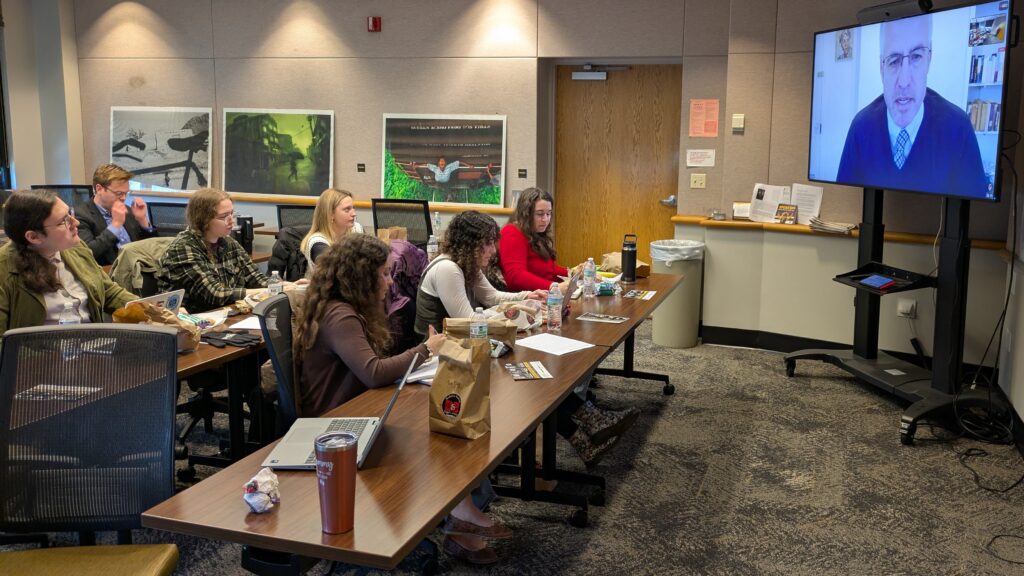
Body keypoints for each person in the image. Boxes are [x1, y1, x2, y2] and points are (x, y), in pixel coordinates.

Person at [296, 234, 508, 565]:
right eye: (382, 273)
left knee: (451, 421)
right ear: (359, 276)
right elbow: (373, 372)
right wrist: (426, 349)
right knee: (440, 434)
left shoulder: (351, 307)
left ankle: (460, 517)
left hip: (363, 404)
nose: (390, 280)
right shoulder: (340, 316)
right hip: (339, 419)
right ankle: (458, 517)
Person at [416, 211, 635, 466]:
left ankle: (587, 431)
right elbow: (468, 321)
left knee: (536, 375)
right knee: (530, 379)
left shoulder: (465, 265)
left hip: (466, 346)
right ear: (471, 243)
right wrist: (513, 313)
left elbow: (493, 298)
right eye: (487, 244)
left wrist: (529, 295)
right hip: (441, 356)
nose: (492, 250)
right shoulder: (448, 269)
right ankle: (588, 426)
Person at [836, 14, 988, 197]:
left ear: (929, 60)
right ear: (881, 67)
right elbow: (843, 197)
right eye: (893, 60)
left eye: (916, 57)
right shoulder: (860, 127)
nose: (904, 81)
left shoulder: (959, 127)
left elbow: (975, 201)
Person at [0, 189, 136, 332]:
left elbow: (109, 292)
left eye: (69, 214)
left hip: (93, 344)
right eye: (63, 221)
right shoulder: (4, 269)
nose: (75, 222)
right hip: (42, 352)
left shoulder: (76, 248)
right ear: (34, 237)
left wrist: (149, 308)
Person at [156, 188, 269, 312]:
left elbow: (255, 278)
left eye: (232, 213)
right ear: (203, 219)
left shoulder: (229, 243)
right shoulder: (183, 247)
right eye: (223, 216)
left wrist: (281, 286)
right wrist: (265, 291)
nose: (231, 220)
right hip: (193, 321)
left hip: (224, 315)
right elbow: (214, 294)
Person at [76, 163, 157, 266]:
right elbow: (88, 253)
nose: (123, 198)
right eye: (118, 193)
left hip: (138, 268)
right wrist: (115, 225)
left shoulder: (127, 210)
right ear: (99, 189)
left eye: (126, 193)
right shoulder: (81, 215)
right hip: (109, 274)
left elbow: (152, 247)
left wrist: (143, 220)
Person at [499, 187, 569, 293]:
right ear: (526, 214)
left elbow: (549, 269)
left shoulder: (535, 231)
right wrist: (553, 287)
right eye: (540, 214)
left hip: (541, 295)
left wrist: (572, 273)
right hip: (523, 299)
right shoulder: (511, 232)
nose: (545, 219)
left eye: (548, 213)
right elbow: (516, 276)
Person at [299, 188, 363, 270]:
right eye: (347, 209)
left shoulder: (356, 229)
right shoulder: (318, 242)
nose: (354, 214)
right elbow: (339, 271)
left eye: (353, 208)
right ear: (330, 214)